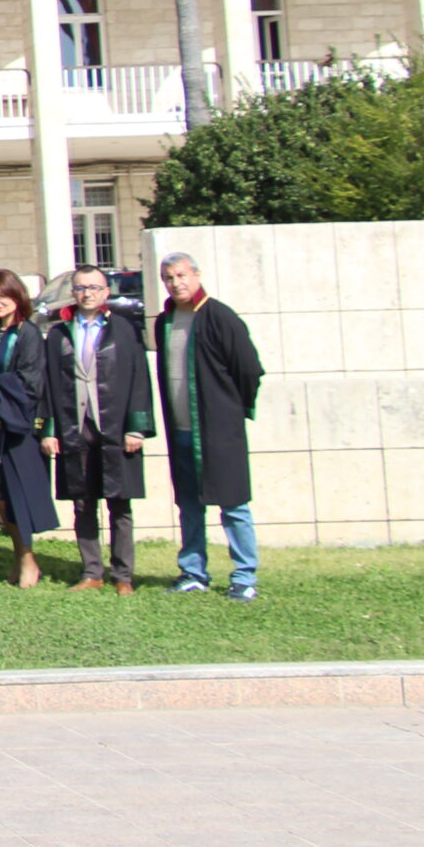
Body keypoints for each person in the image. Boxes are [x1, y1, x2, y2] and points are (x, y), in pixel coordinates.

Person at [153, 252, 266, 601]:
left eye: (182, 275)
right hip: (182, 430)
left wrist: (234, 409)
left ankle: (244, 576)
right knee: (189, 504)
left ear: (197, 275)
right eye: (170, 278)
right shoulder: (165, 321)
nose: (177, 283)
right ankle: (192, 572)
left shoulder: (219, 316)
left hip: (218, 430)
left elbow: (248, 369)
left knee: (233, 504)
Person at [47, 265, 154, 594]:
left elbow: (140, 380)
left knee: (120, 503)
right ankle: (91, 571)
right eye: (80, 288)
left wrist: (136, 428)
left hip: (115, 426)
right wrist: (49, 430)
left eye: (94, 287)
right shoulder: (59, 333)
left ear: (106, 293)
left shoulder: (123, 330)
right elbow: (49, 385)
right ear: (73, 293)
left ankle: (123, 575)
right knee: (83, 502)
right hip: (75, 427)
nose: (87, 293)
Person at [0, 270, 60, 588]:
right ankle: (23, 555)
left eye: (1, 295)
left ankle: (27, 560)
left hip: (15, 426)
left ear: (16, 295)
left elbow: (29, 382)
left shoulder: (27, 334)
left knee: (14, 493)